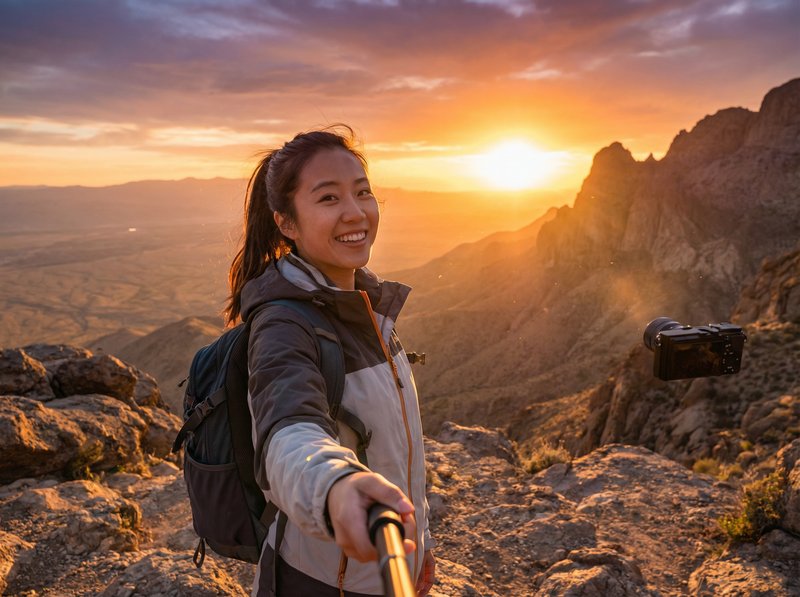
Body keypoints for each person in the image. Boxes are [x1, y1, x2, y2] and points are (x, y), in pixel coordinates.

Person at [224, 126, 436, 596]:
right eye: (328, 199)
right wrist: (335, 486)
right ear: (286, 223)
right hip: (318, 584)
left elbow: (396, 455)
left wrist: (419, 546)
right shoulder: (284, 325)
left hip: (383, 572)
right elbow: (288, 431)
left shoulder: (365, 307)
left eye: (363, 192)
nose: (355, 212)